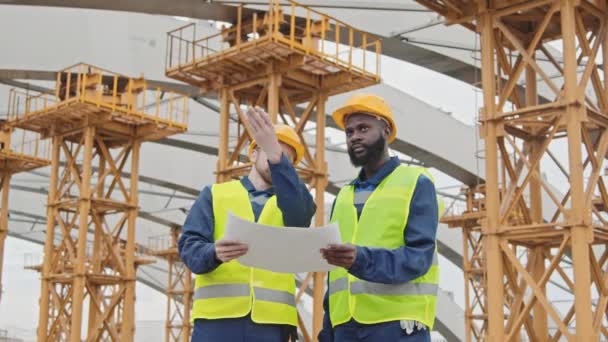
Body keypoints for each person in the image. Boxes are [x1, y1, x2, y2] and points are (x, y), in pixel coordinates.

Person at [179, 106, 316, 342]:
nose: (276, 161)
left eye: (284, 159)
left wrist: (275, 156)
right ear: (253, 154)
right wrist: (214, 252)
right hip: (217, 323)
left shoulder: (293, 205)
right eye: (270, 152)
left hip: (271, 326)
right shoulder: (215, 195)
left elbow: (302, 215)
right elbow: (189, 248)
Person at [318, 94, 440, 342]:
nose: (355, 137)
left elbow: (419, 257)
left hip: (396, 326)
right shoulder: (343, 196)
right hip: (345, 329)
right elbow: (336, 274)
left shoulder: (415, 182)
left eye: (363, 128)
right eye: (349, 132)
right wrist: (327, 332)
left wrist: (361, 259)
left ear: (385, 129)